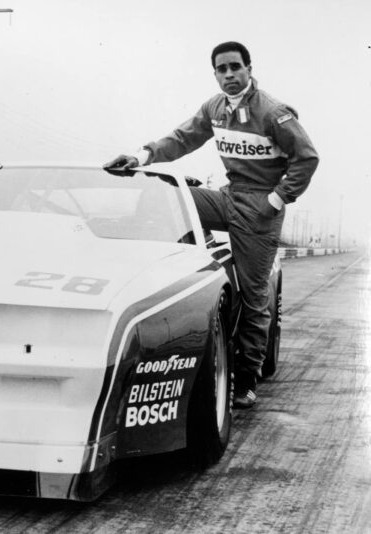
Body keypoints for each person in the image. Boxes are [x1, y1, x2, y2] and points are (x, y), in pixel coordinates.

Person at [104, 41, 319, 408]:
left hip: (260, 207)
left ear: (249, 69)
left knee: (254, 297)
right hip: (228, 196)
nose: (230, 75)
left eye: (236, 67)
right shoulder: (214, 108)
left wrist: (277, 199)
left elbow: (307, 158)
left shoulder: (273, 112)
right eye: (222, 69)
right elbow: (182, 138)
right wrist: (141, 157)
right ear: (215, 74)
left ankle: (246, 378)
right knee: (168, 196)